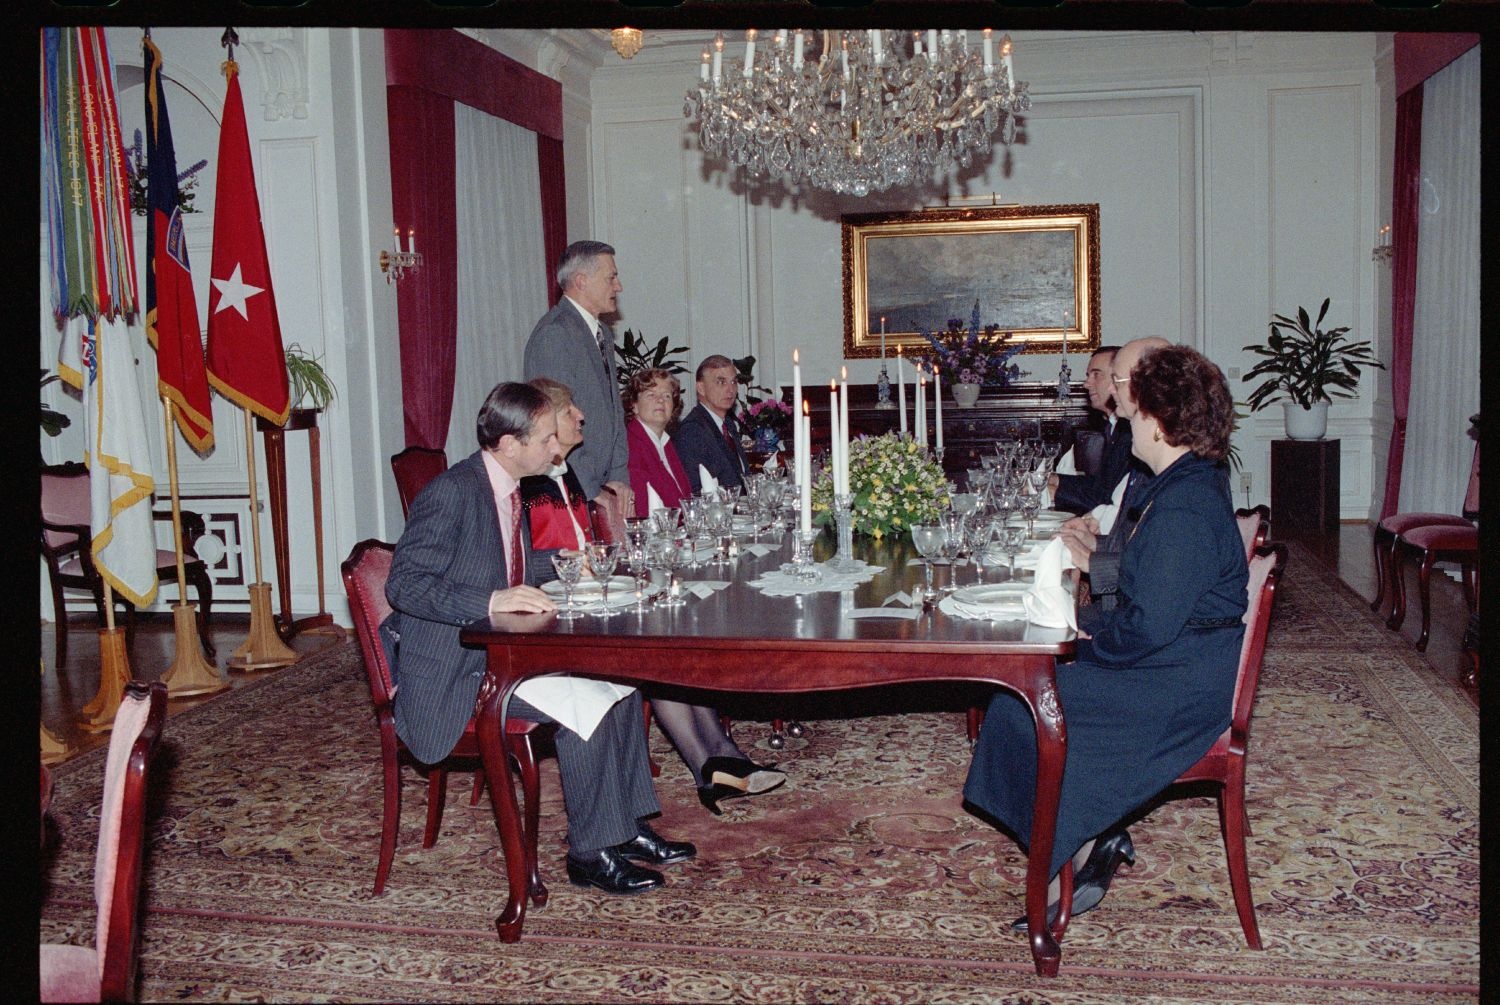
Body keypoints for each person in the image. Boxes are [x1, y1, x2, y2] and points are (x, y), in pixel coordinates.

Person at [964, 343, 1248, 931]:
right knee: (1024, 687)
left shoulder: (1186, 506)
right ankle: (1086, 836)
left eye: (1136, 407)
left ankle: (1066, 847)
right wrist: (1076, 628)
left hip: (1177, 686)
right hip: (1173, 657)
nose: (1127, 414)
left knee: (1027, 705)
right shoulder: (1183, 482)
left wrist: (1078, 639)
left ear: (1162, 420)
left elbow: (1145, 629)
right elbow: (1151, 603)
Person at [383, 381, 693, 896]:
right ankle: (591, 854)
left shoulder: (507, 486)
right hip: (454, 672)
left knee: (622, 683)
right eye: (547, 439)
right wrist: (489, 601)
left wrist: (577, 564)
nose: (557, 449)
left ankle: (626, 825)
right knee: (586, 699)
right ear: (508, 443)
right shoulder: (453, 492)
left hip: (495, 651)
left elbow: (515, 563)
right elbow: (405, 584)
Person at [538, 375, 787, 815]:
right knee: (666, 643)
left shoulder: (579, 469)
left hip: (605, 587)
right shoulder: (543, 481)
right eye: (569, 412)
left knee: (682, 629)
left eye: (667, 396)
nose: (583, 417)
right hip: (571, 607)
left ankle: (720, 753)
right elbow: (551, 555)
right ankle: (707, 762)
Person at [1057, 338, 1170, 622]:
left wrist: (1090, 561)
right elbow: (1143, 552)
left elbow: (1157, 604)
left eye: (1115, 380)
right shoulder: (1163, 474)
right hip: (1128, 622)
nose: (1109, 390)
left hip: (1152, 650)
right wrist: (1096, 544)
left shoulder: (1183, 493)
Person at [523, 241, 634, 516]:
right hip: (573, 490)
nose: (618, 287)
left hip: (603, 489)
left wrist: (618, 478)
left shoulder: (603, 334)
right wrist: (592, 488)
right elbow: (556, 425)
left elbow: (614, 412)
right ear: (582, 281)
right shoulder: (555, 334)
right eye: (611, 277)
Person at [1048, 346, 1132, 514]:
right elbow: (1100, 485)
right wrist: (1056, 480)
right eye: (1088, 376)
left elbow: (1105, 498)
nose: (1087, 384)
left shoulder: (1130, 432)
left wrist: (1052, 493)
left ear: (1118, 380)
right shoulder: (1114, 427)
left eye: (1096, 375)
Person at [674, 354, 750, 494]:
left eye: (733, 382)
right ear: (701, 388)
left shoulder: (727, 424)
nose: (730, 389)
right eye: (721, 382)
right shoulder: (692, 431)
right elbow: (696, 492)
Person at [623, 368, 694, 517]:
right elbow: (643, 511)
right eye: (651, 395)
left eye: (667, 396)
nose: (660, 400)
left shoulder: (665, 443)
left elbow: (685, 499)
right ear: (634, 405)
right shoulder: (630, 446)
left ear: (673, 407)